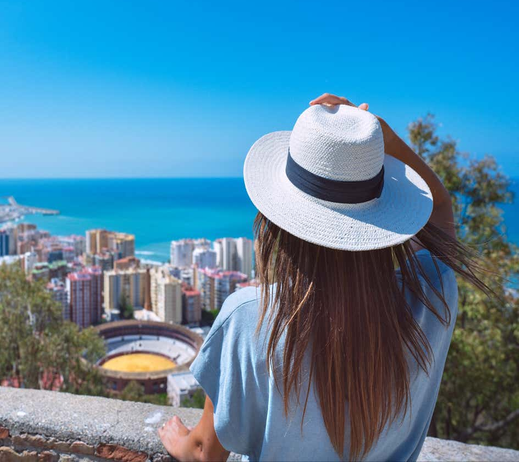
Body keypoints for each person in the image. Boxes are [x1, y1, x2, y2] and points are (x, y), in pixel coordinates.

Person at [158, 94, 493, 461]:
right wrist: (385, 140)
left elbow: (205, 453)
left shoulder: (248, 319)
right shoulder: (431, 296)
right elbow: (440, 208)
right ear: (384, 220)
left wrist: (180, 442)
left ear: (274, 223)